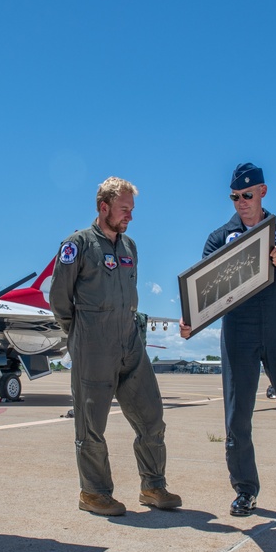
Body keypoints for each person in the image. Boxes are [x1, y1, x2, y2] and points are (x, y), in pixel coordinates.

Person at [180, 162, 276, 520]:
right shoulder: (219, 238)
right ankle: (245, 491)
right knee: (238, 418)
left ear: (263, 191)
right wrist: (191, 325)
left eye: (247, 195)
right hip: (239, 331)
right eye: (234, 197)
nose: (241, 202)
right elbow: (206, 295)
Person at [49, 177, 181, 516]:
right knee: (91, 425)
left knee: (152, 415)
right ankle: (93, 493)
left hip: (130, 340)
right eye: (124, 210)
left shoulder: (129, 247)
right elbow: (59, 299)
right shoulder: (76, 244)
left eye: (132, 211)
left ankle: (153, 486)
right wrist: (79, 334)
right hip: (93, 343)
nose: (130, 217)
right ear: (103, 207)